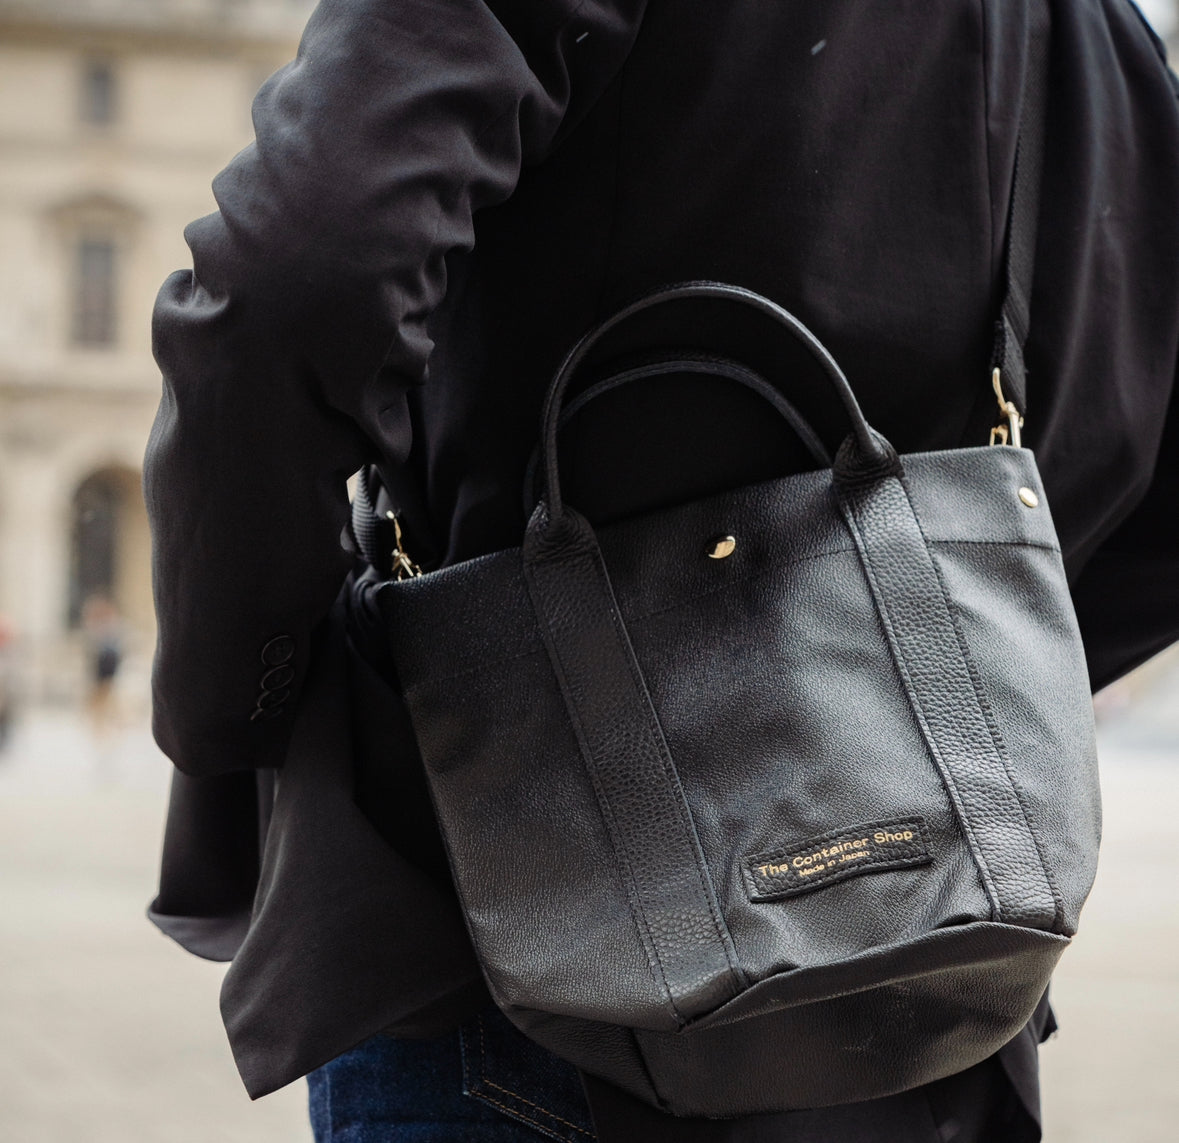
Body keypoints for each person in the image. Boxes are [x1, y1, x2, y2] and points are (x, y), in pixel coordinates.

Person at [143, 1, 1179, 1140]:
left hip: (514, 945)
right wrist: (929, 704)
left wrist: (241, 710)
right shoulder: (1096, 38)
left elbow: (285, 286)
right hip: (937, 990)